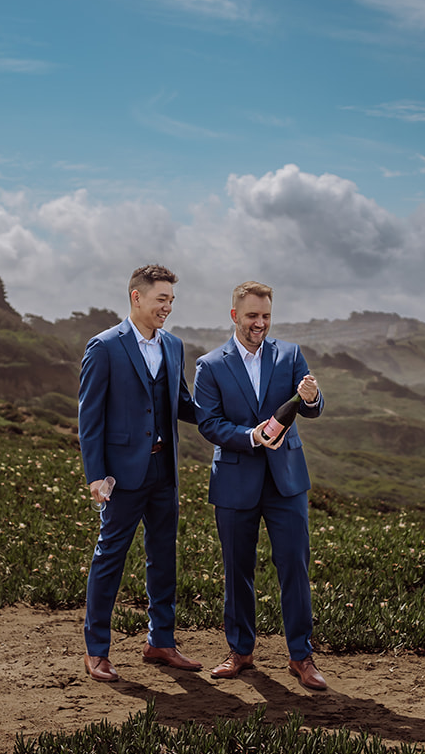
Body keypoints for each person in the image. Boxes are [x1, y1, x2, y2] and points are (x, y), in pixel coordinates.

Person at [192, 281, 327, 690]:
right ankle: (240, 651)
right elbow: (209, 424)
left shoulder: (290, 355)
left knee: (294, 568)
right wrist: (251, 436)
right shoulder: (210, 365)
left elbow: (313, 408)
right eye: (252, 316)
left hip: (286, 481)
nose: (260, 323)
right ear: (235, 315)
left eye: (266, 316)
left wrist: (313, 395)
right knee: (237, 570)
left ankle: (301, 657)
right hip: (235, 480)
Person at [77, 264, 201, 682]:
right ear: (137, 297)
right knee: (109, 559)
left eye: (171, 300)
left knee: (164, 558)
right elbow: (89, 418)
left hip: (163, 470)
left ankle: (160, 641)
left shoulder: (174, 346)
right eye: (161, 299)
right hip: (121, 476)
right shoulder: (104, 347)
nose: (167, 307)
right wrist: (96, 475)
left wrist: (227, 415)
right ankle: (97, 650)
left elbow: (182, 403)